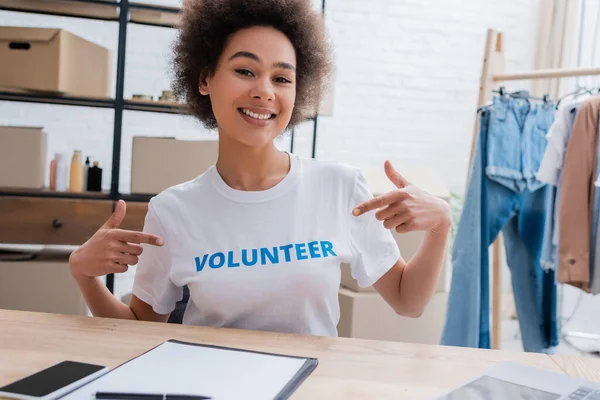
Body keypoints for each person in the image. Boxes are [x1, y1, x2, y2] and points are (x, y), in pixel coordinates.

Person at [68, 0, 451, 336]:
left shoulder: (340, 187)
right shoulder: (172, 211)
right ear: (205, 79)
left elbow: (408, 301)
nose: (265, 91)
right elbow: (139, 330)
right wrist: (85, 275)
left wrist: (440, 226)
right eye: (245, 71)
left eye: (282, 78)